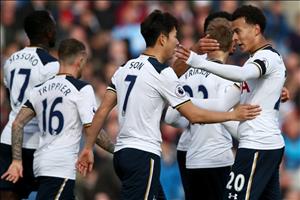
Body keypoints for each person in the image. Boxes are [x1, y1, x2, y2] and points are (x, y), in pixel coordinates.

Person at [76, 10, 261, 200]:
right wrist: (232, 115)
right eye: (174, 36)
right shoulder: (162, 73)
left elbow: (103, 110)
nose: (177, 42)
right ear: (163, 39)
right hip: (144, 154)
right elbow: (193, 115)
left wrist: (88, 147)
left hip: (123, 154)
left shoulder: (124, 68)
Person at [176, 5, 286, 200]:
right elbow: (221, 105)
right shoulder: (252, 65)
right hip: (261, 144)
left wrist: (198, 61)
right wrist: (178, 100)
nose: (234, 38)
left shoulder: (268, 57)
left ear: (256, 29)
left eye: (238, 31)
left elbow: (243, 74)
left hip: (258, 145)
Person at [1, 38, 114, 200]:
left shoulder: (39, 89)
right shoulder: (81, 88)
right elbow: (92, 128)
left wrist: (17, 160)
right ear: (80, 60)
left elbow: (17, 123)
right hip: (60, 166)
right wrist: (116, 150)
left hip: (40, 163)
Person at [165, 13, 242, 200]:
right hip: (217, 156)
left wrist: (191, 114)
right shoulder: (231, 76)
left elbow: (170, 117)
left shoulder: (186, 73)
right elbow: (226, 112)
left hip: (191, 156)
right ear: (231, 44)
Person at [0, 10, 59, 200]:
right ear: (49, 32)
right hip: (37, 143)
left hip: (9, 138)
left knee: (8, 195)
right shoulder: (52, 66)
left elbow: (9, 93)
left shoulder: (10, 61)